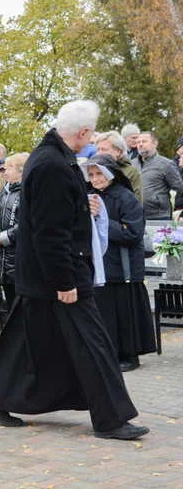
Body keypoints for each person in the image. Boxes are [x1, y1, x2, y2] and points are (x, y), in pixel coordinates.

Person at [0, 100, 148, 441]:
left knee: (25, 340)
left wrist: (85, 206)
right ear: (82, 132)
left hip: (44, 274)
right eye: (90, 132)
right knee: (94, 343)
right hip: (59, 275)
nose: (91, 138)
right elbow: (50, 231)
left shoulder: (50, 158)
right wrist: (64, 280)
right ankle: (111, 419)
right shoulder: (52, 164)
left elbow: (55, 217)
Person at [82, 154, 156, 371]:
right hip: (100, 264)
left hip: (124, 266)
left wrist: (100, 218)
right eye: (92, 174)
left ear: (111, 174)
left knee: (124, 313)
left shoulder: (126, 197)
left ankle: (129, 355)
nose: (95, 179)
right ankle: (109, 353)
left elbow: (133, 232)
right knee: (106, 313)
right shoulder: (90, 197)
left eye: (99, 174)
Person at [0, 153, 29, 332]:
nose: (4, 172)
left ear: (21, 171)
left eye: (9, 168)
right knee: (10, 303)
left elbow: (27, 223)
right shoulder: (4, 192)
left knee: (22, 305)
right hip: (3, 260)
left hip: (20, 258)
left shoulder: (28, 192)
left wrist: (4, 238)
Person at [132, 131, 183, 220]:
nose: (140, 144)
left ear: (155, 143)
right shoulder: (131, 164)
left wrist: (159, 201)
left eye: (144, 141)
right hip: (135, 215)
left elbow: (178, 188)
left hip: (159, 216)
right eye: (138, 142)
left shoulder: (166, 164)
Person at [94, 131, 143, 203]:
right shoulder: (93, 170)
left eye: (104, 149)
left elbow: (136, 202)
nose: (99, 153)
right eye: (98, 149)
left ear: (118, 151)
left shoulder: (131, 172)